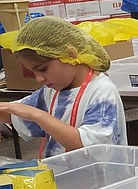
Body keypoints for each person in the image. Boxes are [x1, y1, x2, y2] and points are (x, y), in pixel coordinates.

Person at [0, 16, 126, 157]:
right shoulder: (51, 91)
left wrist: (38, 115)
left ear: (69, 55)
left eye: (42, 69)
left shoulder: (102, 92)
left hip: (102, 176)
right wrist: (16, 110)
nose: (39, 78)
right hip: (63, 175)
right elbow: (15, 113)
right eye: (33, 72)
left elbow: (89, 146)